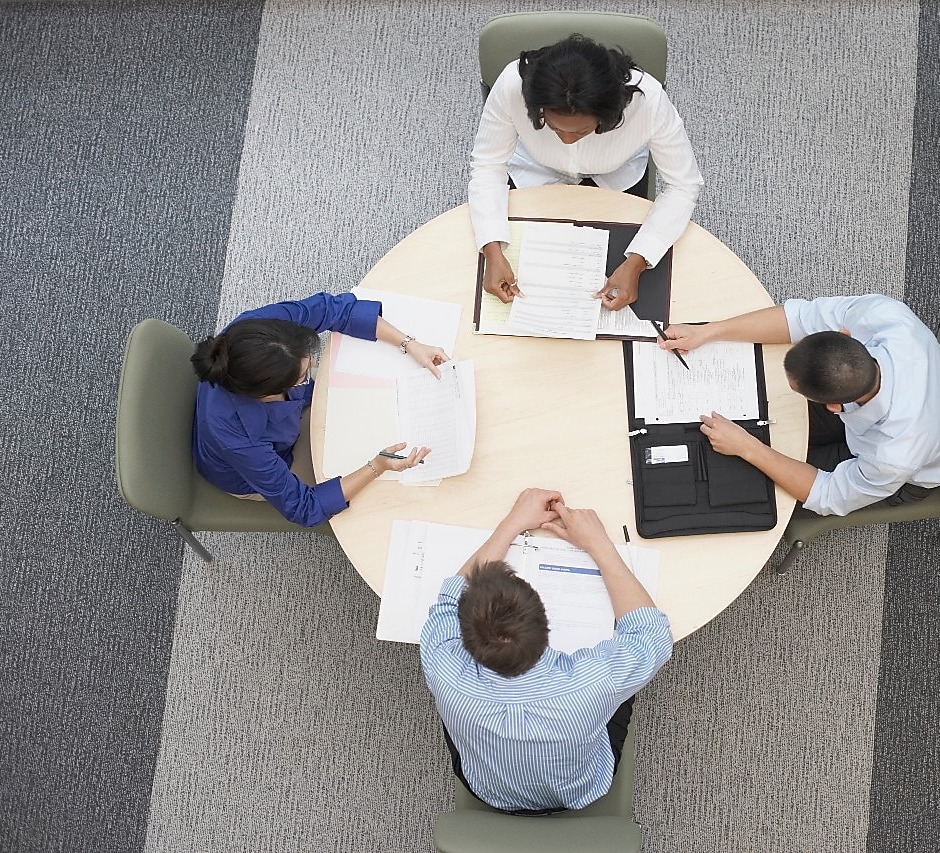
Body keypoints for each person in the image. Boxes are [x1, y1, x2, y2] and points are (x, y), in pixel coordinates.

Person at [420, 488, 672, 814]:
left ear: (464, 634)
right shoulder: (592, 682)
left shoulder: (442, 663)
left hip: (485, 787)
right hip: (581, 788)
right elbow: (652, 634)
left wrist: (512, 523)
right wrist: (599, 544)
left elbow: (449, 598)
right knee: (624, 682)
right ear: (546, 624)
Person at [660, 294, 940, 517]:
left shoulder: (893, 457)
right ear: (843, 334)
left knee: (754, 480)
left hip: (912, 471)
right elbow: (799, 318)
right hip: (914, 406)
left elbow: (827, 495)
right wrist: (708, 331)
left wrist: (748, 448)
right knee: (768, 419)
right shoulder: (883, 315)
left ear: (833, 408)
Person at [468, 34, 704, 312]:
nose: (567, 140)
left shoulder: (649, 102)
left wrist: (638, 261)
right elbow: (488, 165)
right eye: (554, 128)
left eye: (581, 131)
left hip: (617, 179)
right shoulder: (512, 86)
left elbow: (683, 185)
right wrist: (492, 250)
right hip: (535, 173)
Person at [190, 291, 448, 527]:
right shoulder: (238, 438)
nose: (314, 366)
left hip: (281, 421)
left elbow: (334, 309)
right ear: (268, 392)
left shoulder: (262, 333)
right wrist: (376, 466)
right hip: (255, 468)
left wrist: (409, 344)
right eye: (304, 374)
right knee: (380, 499)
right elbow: (305, 507)